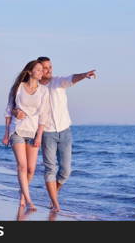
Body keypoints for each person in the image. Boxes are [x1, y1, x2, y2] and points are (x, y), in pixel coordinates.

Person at [13, 56, 96, 212]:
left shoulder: (58, 82)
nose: (49, 70)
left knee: (65, 171)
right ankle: (52, 202)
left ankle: (53, 193)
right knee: (49, 169)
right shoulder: (33, 88)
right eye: (45, 68)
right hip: (46, 133)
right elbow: (19, 104)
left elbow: (72, 78)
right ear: (37, 70)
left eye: (50, 67)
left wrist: (84, 75)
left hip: (65, 130)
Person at [2, 60, 50, 211]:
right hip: (17, 130)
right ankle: (29, 201)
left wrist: (39, 136)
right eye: (38, 70)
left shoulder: (44, 91)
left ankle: (22, 194)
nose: (41, 72)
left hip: (33, 131)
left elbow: (44, 116)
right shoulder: (18, 88)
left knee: (31, 169)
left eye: (42, 70)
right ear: (29, 72)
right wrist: (6, 133)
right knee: (22, 166)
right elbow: (9, 110)